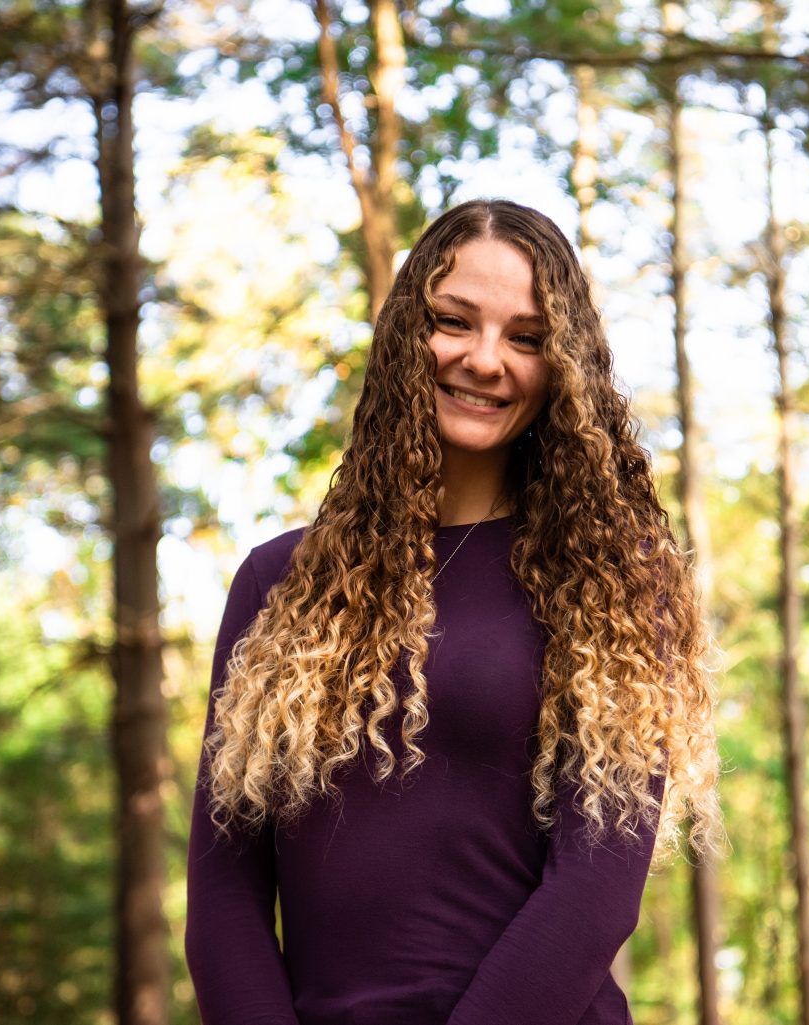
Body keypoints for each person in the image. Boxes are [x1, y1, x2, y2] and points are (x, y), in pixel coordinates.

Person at [185, 199, 721, 1025]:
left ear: (563, 366)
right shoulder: (276, 580)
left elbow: (597, 888)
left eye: (527, 337)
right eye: (453, 321)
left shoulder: (613, 584)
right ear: (408, 330)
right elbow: (224, 889)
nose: (484, 359)